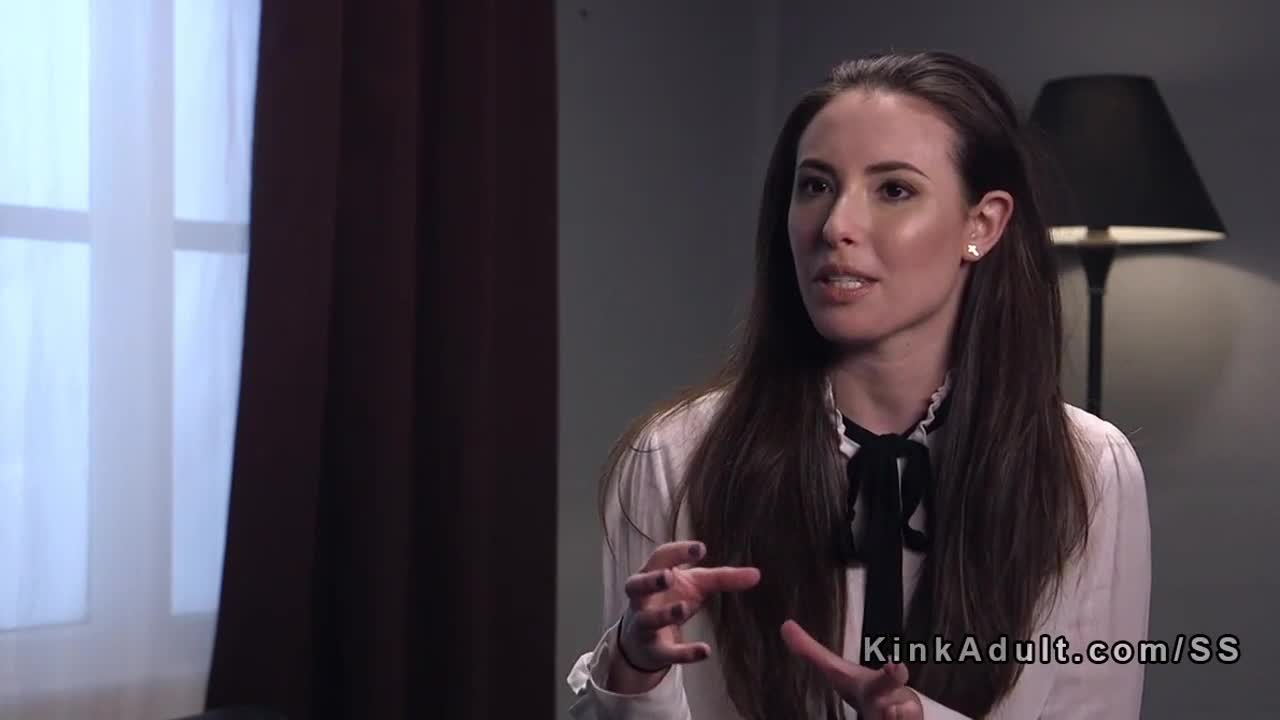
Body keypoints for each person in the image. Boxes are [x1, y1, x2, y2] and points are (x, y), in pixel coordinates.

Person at [565, 50, 1151, 720]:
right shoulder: (676, 456)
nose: (836, 226)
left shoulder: (1087, 466)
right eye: (815, 185)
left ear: (982, 225)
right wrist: (634, 668)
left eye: (893, 190)